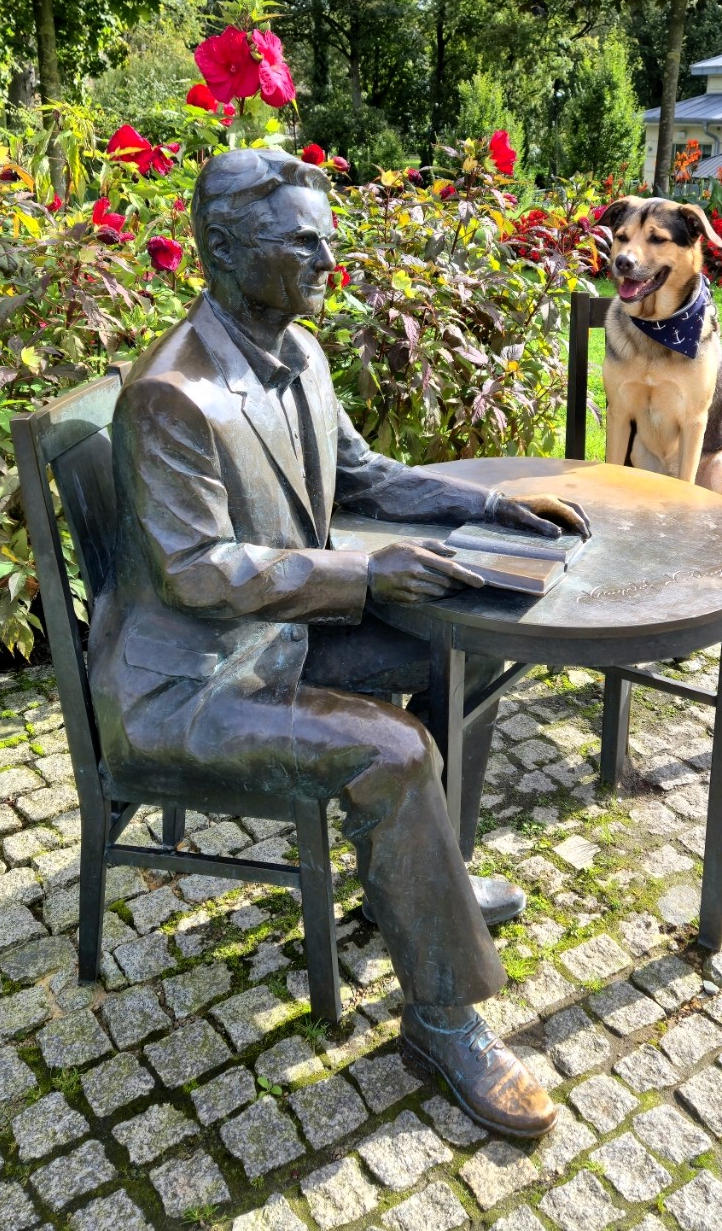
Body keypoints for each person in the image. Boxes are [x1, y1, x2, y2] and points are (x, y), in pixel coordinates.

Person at [89, 148, 589, 1137]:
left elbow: (359, 476)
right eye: (303, 241)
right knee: (392, 749)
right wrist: (361, 576)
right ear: (229, 249)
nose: (330, 258)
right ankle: (443, 1018)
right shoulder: (171, 394)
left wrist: (486, 504)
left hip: (271, 641)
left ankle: (416, 879)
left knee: (464, 641)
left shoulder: (299, 352)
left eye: (330, 237)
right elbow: (197, 570)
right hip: (185, 684)